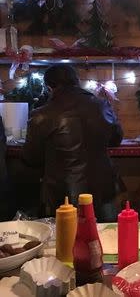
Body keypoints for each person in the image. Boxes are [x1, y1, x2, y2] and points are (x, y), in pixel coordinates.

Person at [22, 64, 124, 221]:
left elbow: (31, 158)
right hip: (103, 188)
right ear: (76, 82)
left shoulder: (40, 115)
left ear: (49, 87)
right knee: (108, 237)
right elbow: (116, 140)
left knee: (65, 241)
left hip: (63, 193)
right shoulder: (102, 105)